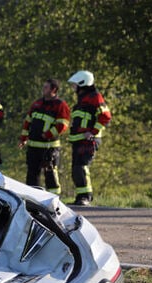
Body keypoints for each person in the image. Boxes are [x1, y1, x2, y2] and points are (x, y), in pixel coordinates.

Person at [67, 70, 112, 206]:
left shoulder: (95, 97)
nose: (73, 88)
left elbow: (105, 116)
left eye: (75, 85)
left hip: (89, 140)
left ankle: (86, 197)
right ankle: (81, 196)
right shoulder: (82, 100)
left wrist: (92, 132)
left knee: (82, 167)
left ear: (83, 83)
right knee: (76, 169)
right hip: (79, 139)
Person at [19, 78, 70, 194]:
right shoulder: (37, 103)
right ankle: (32, 198)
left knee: (50, 174)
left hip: (49, 147)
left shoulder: (60, 105)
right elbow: (27, 122)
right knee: (32, 174)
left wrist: (47, 134)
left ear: (54, 90)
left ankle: (54, 199)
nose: (43, 89)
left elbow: (62, 125)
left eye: (46, 87)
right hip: (33, 146)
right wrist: (23, 138)